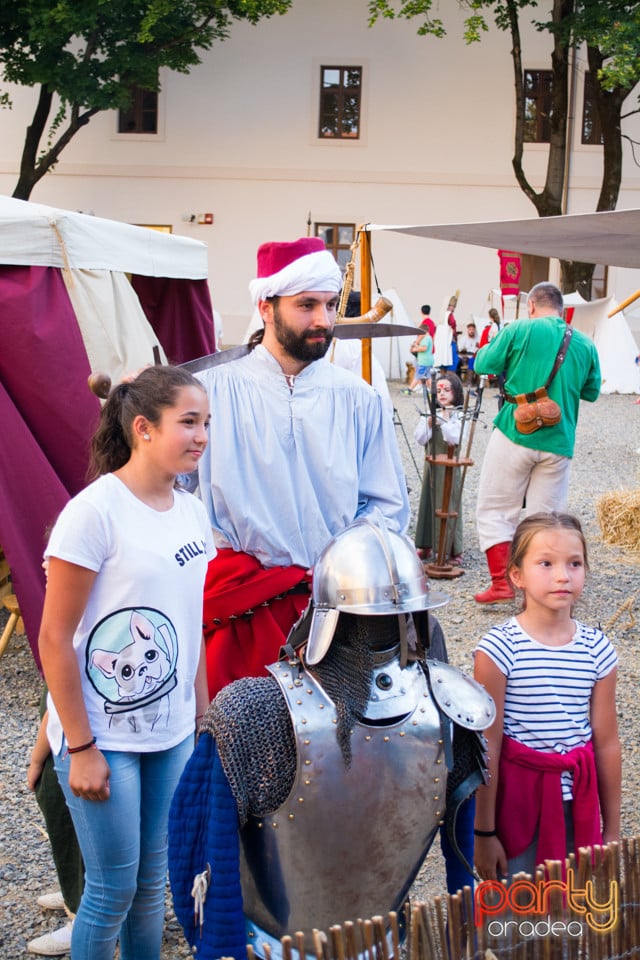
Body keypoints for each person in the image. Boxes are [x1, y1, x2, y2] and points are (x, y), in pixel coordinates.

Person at [168, 516, 493, 959]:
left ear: (320, 616)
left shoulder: (252, 708)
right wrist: (465, 941)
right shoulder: (452, 705)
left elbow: (198, 847)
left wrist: (215, 947)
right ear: (417, 614)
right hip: (372, 944)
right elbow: (462, 859)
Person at [38, 365, 214, 960]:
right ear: (143, 427)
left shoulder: (191, 511)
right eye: (188, 422)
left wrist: (202, 715)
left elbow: (189, 621)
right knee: (111, 891)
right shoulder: (94, 514)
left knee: (150, 891)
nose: (201, 436)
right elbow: (55, 639)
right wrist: (81, 748)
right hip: (102, 735)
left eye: (206, 423)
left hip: (172, 734)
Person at [194, 237, 410, 697]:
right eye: (306, 305)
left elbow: (387, 505)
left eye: (330, 305)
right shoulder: (208, 392)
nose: (323, 320)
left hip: (334, 607)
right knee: (235, 739)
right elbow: (173, 493)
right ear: (265, 307)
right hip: (238, 603)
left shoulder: (359, 398)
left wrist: (344, 560)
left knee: (330, 749)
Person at [473, 513, 620, 881]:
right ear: (517, 575)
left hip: (578, 803)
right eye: (546, 563)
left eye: (575, 563)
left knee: (575, 904)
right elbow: (486, 745)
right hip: (519, 804)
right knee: (516, 909)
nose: (562, 576)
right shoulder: (498, 650)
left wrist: (613, 829)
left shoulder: (597, 650)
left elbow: (606, 743)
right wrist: (484, 832)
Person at [473, 282, 601, 604]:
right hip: (559, 442)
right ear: (562, 309)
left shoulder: (518, 329)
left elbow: (482, 364)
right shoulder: (584, 344)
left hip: (514, 432)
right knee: (546, 519)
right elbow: (592, 392)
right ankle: (541, 592)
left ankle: (502, 584)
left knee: (496, 509)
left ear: (531, 306)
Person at [26, 691, 84, 957]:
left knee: (69, 823)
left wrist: (37, 757)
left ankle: (82, 913)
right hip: (63, 722)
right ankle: (77, 891)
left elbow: (65, 692)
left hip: (70, 733)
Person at [414, 372, 465, 564]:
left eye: (447, 390)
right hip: (432, 466)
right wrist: (428, 423)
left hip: (450, 467)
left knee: (449, 503)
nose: (442, 393)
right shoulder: (429, 413)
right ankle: (426, 545)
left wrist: (442, 421)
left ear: (455, 392)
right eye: (438, 390)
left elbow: (454, 438)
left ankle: (452, 549)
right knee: (429, 502)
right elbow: (419, 438)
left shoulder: (459, 414)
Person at [405, 314, 435, 394]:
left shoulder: (425, 338)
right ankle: (433, 391)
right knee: (428, 377)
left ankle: (409, 389)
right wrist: (416, 345)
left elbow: (424, 348)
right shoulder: (429, 338)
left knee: (418, 376)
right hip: (428, 361)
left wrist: (415, 348)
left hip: (424, 362)